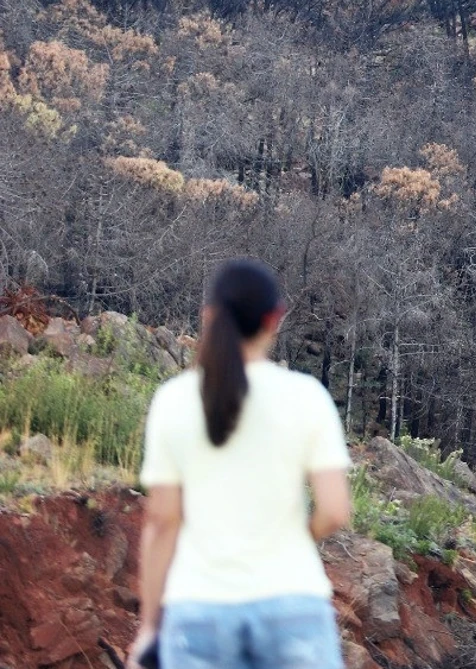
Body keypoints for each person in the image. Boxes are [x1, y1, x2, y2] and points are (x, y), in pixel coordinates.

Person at [132, 259, 353, 669]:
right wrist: (296, 540)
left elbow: (162, 520)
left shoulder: (174, 400)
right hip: (292, 603)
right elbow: (335, 511)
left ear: (208, 317)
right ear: (275, 319)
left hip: (198, 608)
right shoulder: (307, 397)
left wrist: (150, 627)